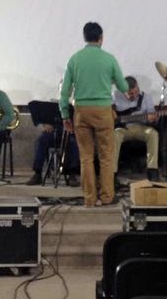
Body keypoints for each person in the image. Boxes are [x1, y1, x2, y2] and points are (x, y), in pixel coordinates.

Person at [59, 22, 129, 208]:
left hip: (81, 111)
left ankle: (90, 198)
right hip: (103, 111)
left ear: (84, 37)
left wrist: (65, 114)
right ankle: (106, 196)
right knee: (106, 156)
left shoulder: (75, 59)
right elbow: (123, 86)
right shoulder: (109, 59)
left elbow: (65, 91)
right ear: (101, 38)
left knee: (86, 157)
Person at [113, 76, 159, 181]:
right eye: (130, 94)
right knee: (114, 135)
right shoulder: (115, 95)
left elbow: (152, 114)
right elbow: (108, 111)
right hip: (123, 129)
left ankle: (152, 171)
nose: (134, 95)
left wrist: (151, 119)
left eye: (136, 92)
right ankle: (112, 173)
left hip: (141, 127)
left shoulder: (146, 98)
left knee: (153, 134)